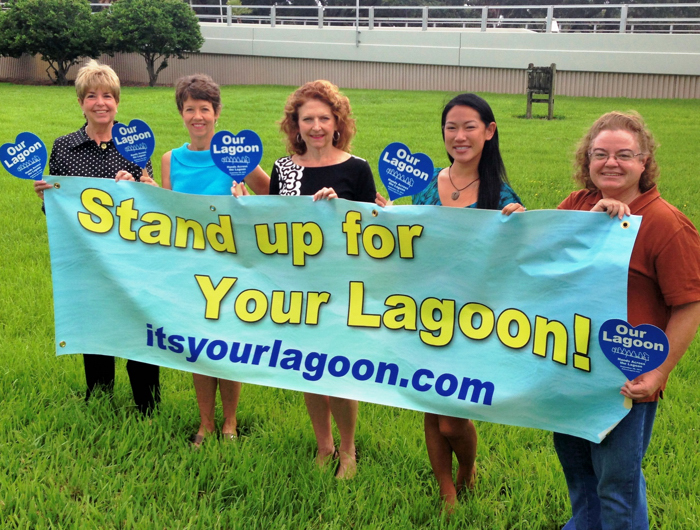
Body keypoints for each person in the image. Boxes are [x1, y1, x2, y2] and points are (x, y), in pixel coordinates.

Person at [376, 93, 524, 509]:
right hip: (422, 314)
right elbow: (407, 246)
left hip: (473, 320)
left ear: (489, 132)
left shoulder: (500, 193)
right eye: (451, 128)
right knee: (429, 404)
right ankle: (446, 489)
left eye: (469, 127)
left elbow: (511, 262)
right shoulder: (425, 188)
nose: (459, 136)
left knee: (452, 419)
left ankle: (467, 467)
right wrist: (386, 217)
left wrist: (520, 226)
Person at [553, 111, 700, 529]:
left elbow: (690, 304)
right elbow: (543, 256)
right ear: (587, 160)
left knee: (617, 485)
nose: (611, 163)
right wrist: (519, 218)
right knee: (580, 475)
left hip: (625, 381)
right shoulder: (578, 204)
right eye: (600, 154)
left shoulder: (667, 225)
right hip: (569, 369)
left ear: (644, 160)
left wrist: (659, 372)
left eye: (623, 155)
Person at [32, 60, 160, 415]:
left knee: (139, 322)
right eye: (92, 96)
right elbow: (60, 213)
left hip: (134, 256)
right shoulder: (63, 147)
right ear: (81, 102)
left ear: (118, 101)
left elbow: (153, 209)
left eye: (107, 95)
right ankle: (100, 395)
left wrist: (144, 188)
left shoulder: (135, 143)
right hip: (87, 256)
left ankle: (147, 401)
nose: (100, 102)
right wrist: (48, 199)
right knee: (96, 323)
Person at [270, 80, 376, 479]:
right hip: (297, 286)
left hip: (344, 286)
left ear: (337, 123)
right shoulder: (285, 170)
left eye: (323, 118)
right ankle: (323, 445)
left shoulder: (357, 168)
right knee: (308, 368)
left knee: (342, 371)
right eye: (307, 119)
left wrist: (343, 208)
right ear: (295, 126)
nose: (315, 126)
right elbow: (275, 227)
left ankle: (348, 450)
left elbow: (374, 233)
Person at [161, 74, 270, 447]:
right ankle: (205, 423)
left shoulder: (237, 156)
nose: (197, 117)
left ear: (217, 112)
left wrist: (248, 201)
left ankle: (230, 423)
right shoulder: (170, 160)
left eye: (204, 109)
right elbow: (166, 213)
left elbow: (275, 197)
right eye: (189, 109)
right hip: (190, 268)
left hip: (232, 267)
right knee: (197, 348)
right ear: (181, 113)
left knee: (228, 345)